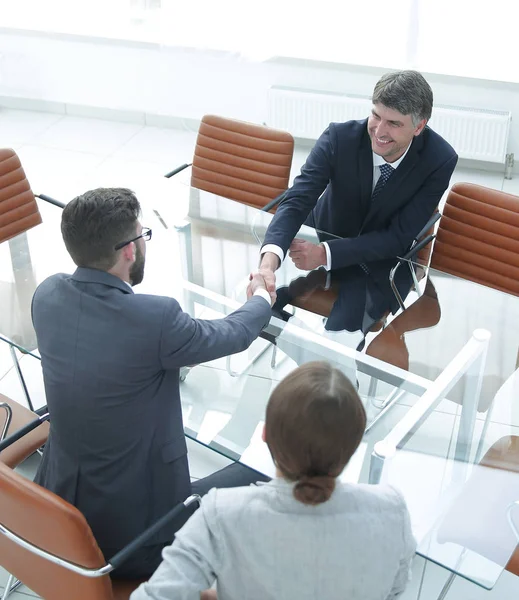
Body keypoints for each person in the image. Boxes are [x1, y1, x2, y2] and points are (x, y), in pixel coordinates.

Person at [31, 188, 274, 579]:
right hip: (136, 549)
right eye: (144, 235)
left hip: (57, 518)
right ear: (129, 250)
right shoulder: (155, 319)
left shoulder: (46, 295)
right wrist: (261, 297)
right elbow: (233, 334)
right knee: (267, 468)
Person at [131, 361, 416, 600]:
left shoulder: (221, 514)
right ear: (353, 448)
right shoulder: (392, 510)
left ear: (265, 434)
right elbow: (394, 591)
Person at [259, 70, 458, 333]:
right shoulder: (339, 138)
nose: (379, 131)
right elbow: (297, 199)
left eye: (394, 124)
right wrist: (268, 263)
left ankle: (316, 359)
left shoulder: (439, 160)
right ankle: (303, 349)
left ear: (419, 127)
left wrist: (324, 254)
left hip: (381, 262)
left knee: (341, 335)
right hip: (322, 234)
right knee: (258, 305)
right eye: (376, 115)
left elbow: (398, 236)